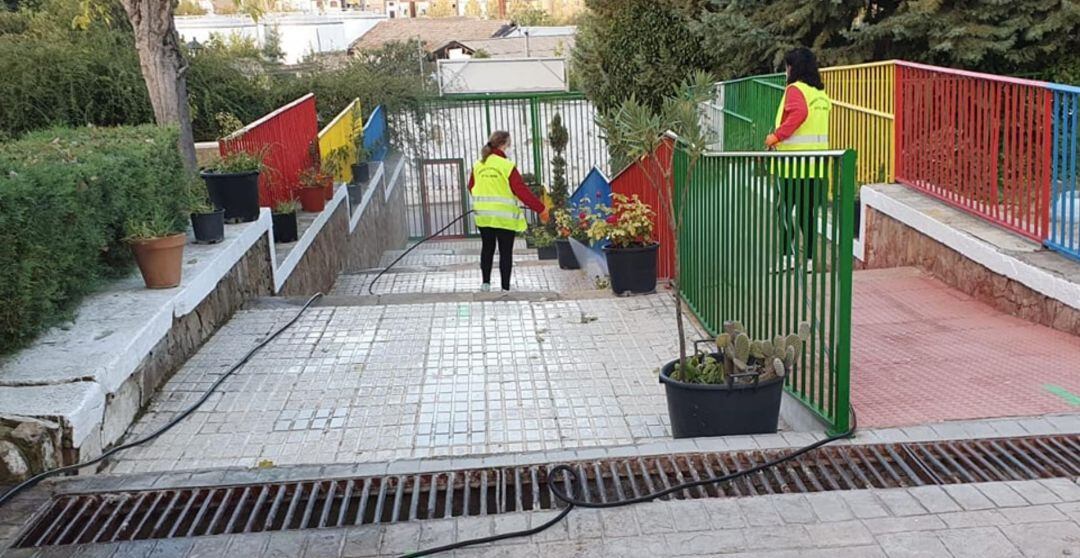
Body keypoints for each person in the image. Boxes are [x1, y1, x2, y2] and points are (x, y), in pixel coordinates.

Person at [765, 47, 832, 271]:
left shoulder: (795, 90)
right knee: (806, 214)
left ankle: (787, 258)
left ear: (792, 68)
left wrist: (776, 136)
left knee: (783, 211)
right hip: (815, 166)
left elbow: (798, 115)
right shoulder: (820, 94)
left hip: (792, 165)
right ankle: (811, 260)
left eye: (787, 66)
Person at [468, 131, 549, 292]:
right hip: (504, 218)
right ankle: (505, 287)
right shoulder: (507, 166)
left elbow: (471, 187)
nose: (510, 148)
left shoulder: (478, 165)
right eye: (509, 145)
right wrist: (540, 208)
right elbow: (522, 191)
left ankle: (485, 284)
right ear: (503, 145)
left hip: (483, 216)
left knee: (487, 248)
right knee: (505, 252)